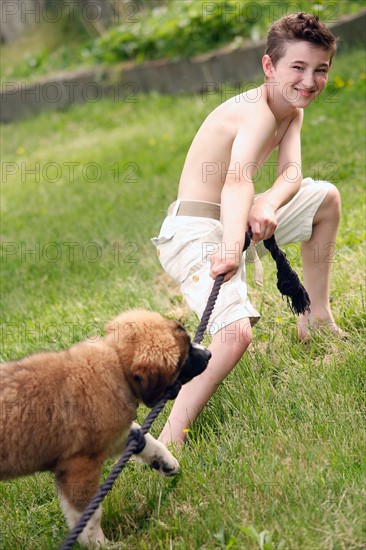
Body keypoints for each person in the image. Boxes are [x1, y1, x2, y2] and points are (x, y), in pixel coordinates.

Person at [151, 12, 343, 446]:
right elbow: (237, 179)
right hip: (197, 230)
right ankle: (170, 432)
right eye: (298, 68)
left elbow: (291, 174)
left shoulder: (289, 109)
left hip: (235, 219)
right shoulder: (255, 112)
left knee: (325, 198)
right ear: (269, 67)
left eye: (321, 70)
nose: (309, 81)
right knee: (235, 334)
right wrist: (231, 242)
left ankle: (314, 317)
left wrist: (269, 203)